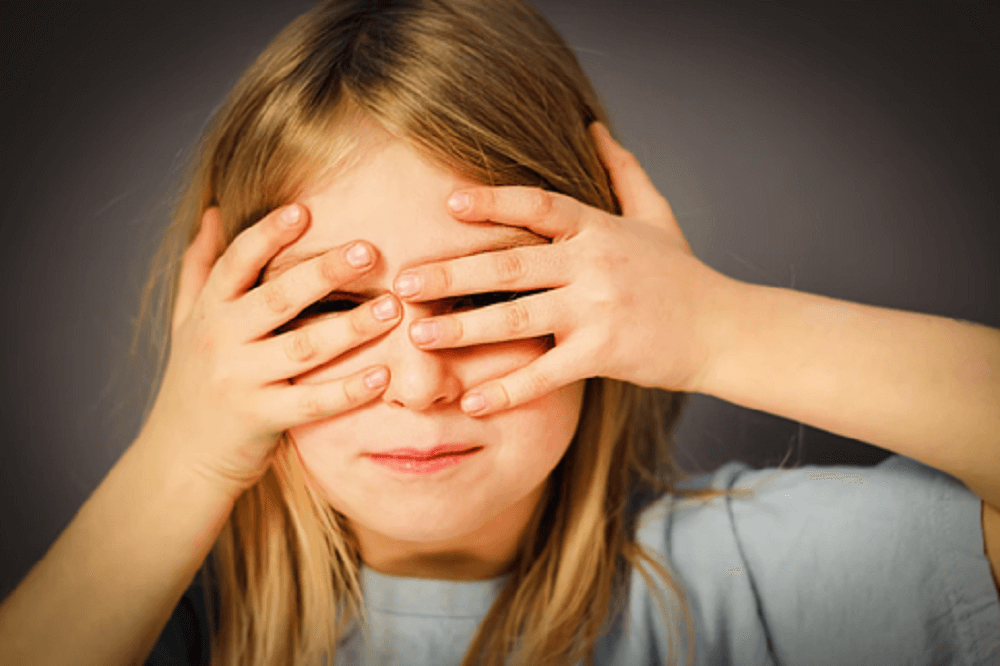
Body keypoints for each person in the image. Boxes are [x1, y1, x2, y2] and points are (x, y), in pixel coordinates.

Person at [1, 0, 998, 664]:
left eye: (482, 301)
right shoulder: (153, 618)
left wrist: (715, 327)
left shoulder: (754, 576)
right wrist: (183, 456)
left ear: (611, 302)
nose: (421, 386)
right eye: (331, 309)